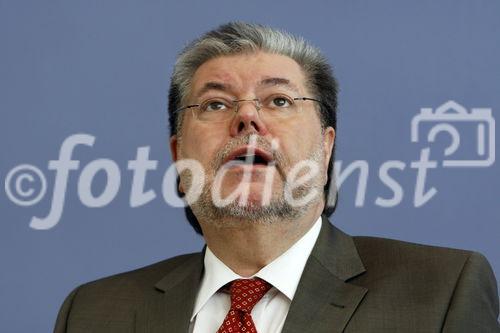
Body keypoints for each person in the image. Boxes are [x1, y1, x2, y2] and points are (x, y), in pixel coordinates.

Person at [54, 22, 500, 333]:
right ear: (178, 156)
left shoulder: (441, 292)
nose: (247, 116)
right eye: (215, 104)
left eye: (280, 101)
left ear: (325, 149)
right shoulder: (92, 313)